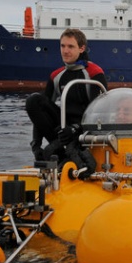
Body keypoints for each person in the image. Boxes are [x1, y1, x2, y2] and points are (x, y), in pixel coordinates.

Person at [25, 28, 107, 162]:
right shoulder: (56, 76)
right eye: (62, 46)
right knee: (34, 101)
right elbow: (40, 113)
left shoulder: (94, 73)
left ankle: (71, 152)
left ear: (81, 48)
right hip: (64, 129)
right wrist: (36, 145)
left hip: (85, 130)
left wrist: (75, 129)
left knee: (90, 120)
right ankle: (61, 152)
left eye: (70, 46)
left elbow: (99, 115)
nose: (65, 51)